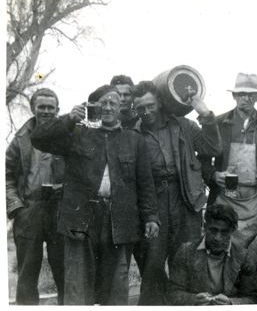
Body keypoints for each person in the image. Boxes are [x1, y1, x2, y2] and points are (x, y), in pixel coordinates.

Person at [30, 84, 159, 305]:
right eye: (103, 103)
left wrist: (151, 217)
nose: (108, 108)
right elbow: (38, 138)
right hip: (80, 221)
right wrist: (69, 119)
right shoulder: (77, 134)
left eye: (113, 103)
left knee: (116, 290)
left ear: (121, 108)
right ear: (93, 107)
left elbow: (145, 183)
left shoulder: (134, 140)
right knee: (77, 287)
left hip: (119, 221)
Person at [131, 80, 222, 305]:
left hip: (186, 200)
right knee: (152, 266)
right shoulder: (134, 133)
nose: (147, 112)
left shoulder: (184, 126)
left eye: (150, 105)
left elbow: (213, 148)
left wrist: (205, 113)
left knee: (189, 261)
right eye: (141, 108)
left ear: (160, 102)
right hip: (153, 203)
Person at [203, 73, 257, 246]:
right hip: (226, 197)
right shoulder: (219, 123)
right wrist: (214, 175)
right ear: (234, 96)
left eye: (251, 95)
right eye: (242, 94)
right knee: (222, 245)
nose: (246, 98)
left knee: (254, 249)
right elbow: (203, 160)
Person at [6, 88, 65, 305]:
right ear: (33, 108)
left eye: (51, 107)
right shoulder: (21, 138)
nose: (46, 111)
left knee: (64, 272)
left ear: (58, 110)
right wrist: (16, 207)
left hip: (59, 211)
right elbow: (6, 174)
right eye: (42, 107)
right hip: (29, 211)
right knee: (27, 275)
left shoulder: (67, 134)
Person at [167, 203, 257, 305]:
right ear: (205, 227)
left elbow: (253, 298)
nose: (217, 238)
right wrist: (193, 300)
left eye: (224, 232)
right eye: (213, 230)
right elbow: (172, 293)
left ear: (233, 230)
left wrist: (231, 303)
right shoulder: (186, 252)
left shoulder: (243, 256)